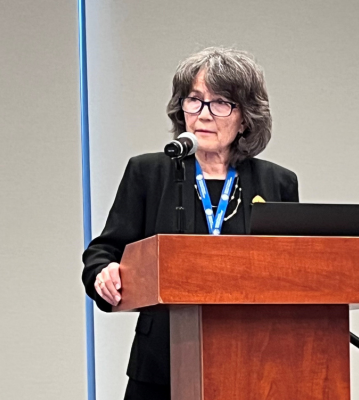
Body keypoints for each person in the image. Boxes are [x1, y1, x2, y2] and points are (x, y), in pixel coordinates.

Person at [82, 47, 299, 400]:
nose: (205, 114)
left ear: (245, 117)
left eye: (221, 103)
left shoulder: (277, 183)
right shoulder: (149, 172)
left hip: (252, 358)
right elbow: (104, 250)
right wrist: (103, 272)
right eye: (195, 101)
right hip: (160, 364)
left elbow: (294, 267)